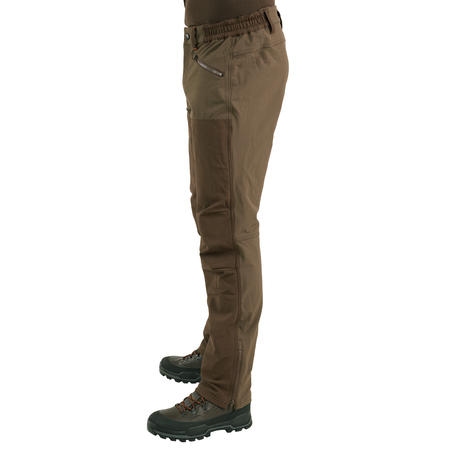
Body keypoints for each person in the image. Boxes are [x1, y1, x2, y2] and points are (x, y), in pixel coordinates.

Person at [147, 0, 288, 441]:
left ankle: (226, 392)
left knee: (228, 226)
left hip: (233, 50)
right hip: (212, 50)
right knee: (212, 211)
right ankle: (221, 350)